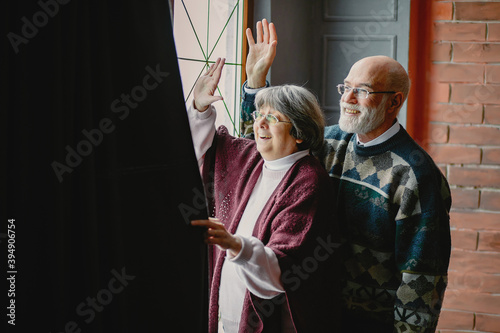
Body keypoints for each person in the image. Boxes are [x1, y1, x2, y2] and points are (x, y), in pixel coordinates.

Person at [242, 19, 452, 333]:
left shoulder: (415, 174)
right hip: (305, 313)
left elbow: (422, 278)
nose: (347, 98)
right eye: (346, 87)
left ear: (394, 101)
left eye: (362, 91)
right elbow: (259, 149)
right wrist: (255, 83)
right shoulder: (327, 142)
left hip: (366, 325)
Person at [189, 58, 340, 332]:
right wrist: (200, 107)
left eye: (272, 118)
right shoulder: (248, 156)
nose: (260, 124)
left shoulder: (308, 181)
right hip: (224, 311)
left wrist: (235, 244)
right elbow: (198, 150)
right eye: (259, 115)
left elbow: (282, 271)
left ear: (300, 133)